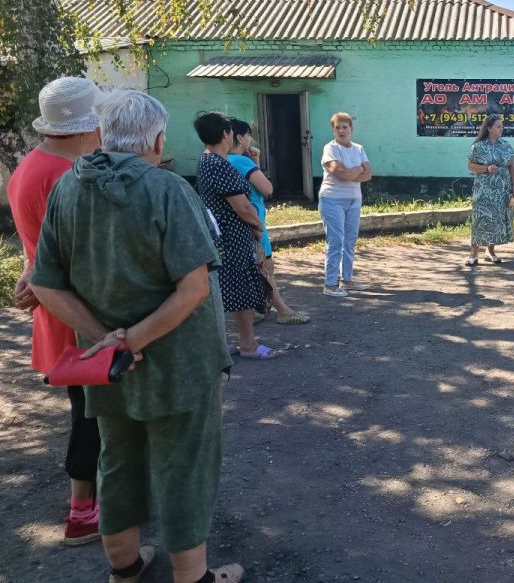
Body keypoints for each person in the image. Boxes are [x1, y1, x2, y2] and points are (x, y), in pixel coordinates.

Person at [30, 90, 243, 583]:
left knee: (117, 460)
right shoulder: (168, 190)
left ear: (102, 134)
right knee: (184, 465)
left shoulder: (68, 189)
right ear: (158, 138)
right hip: (178, 364)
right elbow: (192, 289)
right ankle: (193, 577)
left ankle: (123, 569)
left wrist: (106, 340)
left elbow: (44, 282)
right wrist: (134, 340)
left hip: (105, 368)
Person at [7, 77, 103, 546]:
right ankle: (83, 512)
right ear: (88, 129)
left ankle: (97, 498)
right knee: (92, 417)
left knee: (89, 413)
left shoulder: (31, 166)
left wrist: (31, 277)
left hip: (57, 312)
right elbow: (79, 257)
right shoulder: (67, 176)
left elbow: (39, 250)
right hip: (79, 318)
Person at [194, 112, 277, 359]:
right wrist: (257, 226)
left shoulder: (206, 161)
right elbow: (242, 206)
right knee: (239, 290)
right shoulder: (219, 165)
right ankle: (248, 344)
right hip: (233, 237)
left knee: (224, 290)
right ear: (226, 134)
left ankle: (225, 343)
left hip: (221, 235)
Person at [227, 119, 309, 324]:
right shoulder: (242, 162)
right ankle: (283, 311)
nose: (251, 139)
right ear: (239, 137)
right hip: (254, 222)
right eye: (248, 134)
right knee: (266, 268)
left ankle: (256, 309)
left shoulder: (221, 161)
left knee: (250, 269)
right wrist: (254, 164)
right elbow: (267, 189)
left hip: (234, 224)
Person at [318, 112, 372, 297]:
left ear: (351, 129)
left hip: (354, 199)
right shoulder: (330, 148)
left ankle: (346, 280)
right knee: (336, 242)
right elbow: (341, 174)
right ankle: (330, 285)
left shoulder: (358, 148)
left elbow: (369, 174)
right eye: (337, 127)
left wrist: (351, 172)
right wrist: (357, 170)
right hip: (332, 200)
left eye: (344, 127)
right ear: (333, 130)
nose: (341, 130)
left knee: (349, 241)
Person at [465, 114, 514, 266]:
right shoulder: (478, 146)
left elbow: (512, 167)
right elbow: (470, 166)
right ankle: (473, 253)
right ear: (489, 128)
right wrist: (486, 168)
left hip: (502, 189)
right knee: (480, 218)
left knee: (496, 219)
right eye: (498, 126)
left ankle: (490, 251)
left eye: (502, 126)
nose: (501, 129)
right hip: (483, 189)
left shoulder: (506, 145)